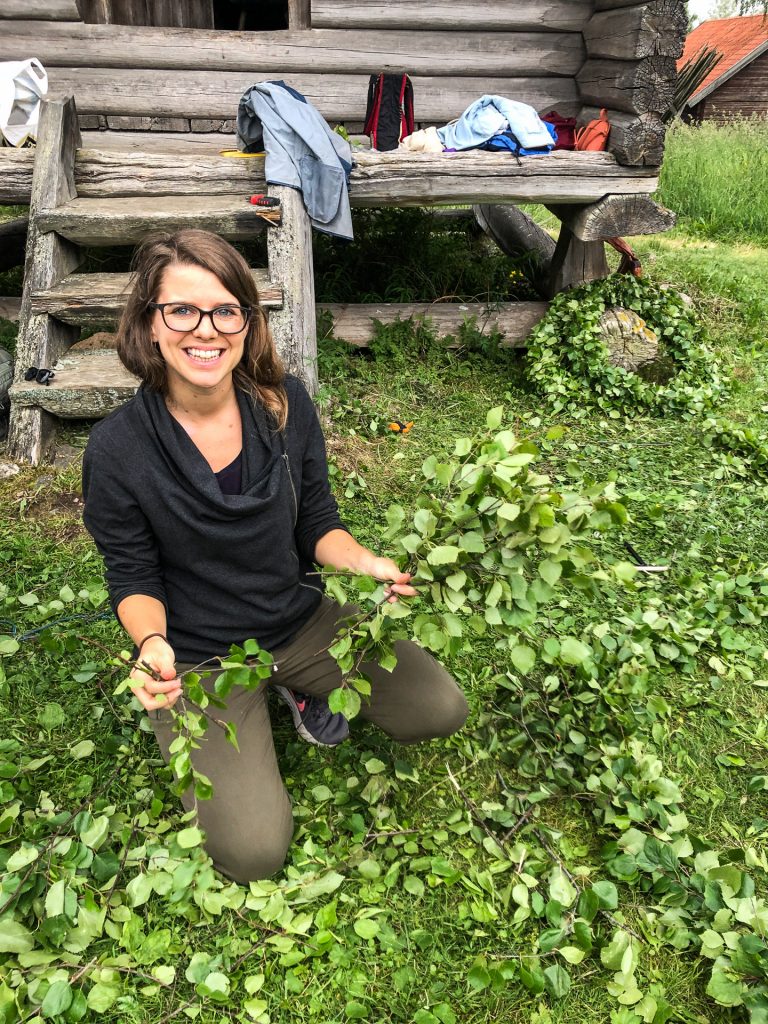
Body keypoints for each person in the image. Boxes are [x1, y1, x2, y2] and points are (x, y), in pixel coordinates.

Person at [82, 229, 469, 883]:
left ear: (247, 321)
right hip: (202, 655)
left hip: (300, 623)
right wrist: (152, 645)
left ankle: (297, 685)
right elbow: (133, 573)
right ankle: (262, 698)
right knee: (254, 853)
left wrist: (365, 563)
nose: (205, 329)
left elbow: (318, 523)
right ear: (150, 324)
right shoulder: (117, 451)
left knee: (438, 708)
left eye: (226, 309)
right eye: (181, 309)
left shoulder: (285, 407)